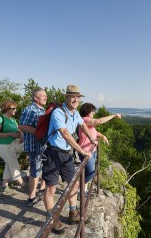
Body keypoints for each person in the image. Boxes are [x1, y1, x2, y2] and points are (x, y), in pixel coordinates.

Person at [42, 85, 97, 234]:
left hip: (66, 154)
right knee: (51, 188)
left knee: (73, 184)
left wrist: (92, 139)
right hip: (53, 154)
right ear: (66, 98)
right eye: (72, 96)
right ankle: (51, 219)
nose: (76, 99)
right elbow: (65, 133)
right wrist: (82, 150)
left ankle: (73, 213)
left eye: (78, 97)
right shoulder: (58, 113)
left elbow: (83, 125)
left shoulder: (75, 113)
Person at [78, 103, 121, 196]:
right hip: (86, 150)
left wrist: (102, 136)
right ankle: (79, 189)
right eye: (93, 111)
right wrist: (113, 116)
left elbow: (94, 132)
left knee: (88, 172)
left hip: (91, 150)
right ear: (88, 111)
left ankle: (83, 190)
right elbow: (99, 121)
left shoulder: (87, 121)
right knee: (91, 172)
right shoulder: (85, 120)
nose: (94, 113)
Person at [19, 88, 47, 207]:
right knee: (35, 170)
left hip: (42, 145)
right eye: (43, 96)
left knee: (43, 167)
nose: (45, 97)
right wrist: (38, 132)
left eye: (46, 95)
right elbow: (22, 126)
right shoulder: (30, 109)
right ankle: (31, 197)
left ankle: (42, 188)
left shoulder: (41, 109)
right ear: (35, 98)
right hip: (34, 145)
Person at [0, 100, 25, 197]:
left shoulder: (13, 120)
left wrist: (20, 133)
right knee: (14, 165)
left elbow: (18, 130)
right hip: (3, 146)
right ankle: (23, 185)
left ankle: (4, 186)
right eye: (13, 108)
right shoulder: (0, 119)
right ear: (7, 109)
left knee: (9, 164)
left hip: (13, 145)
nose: (15, 110)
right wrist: (11, 134)